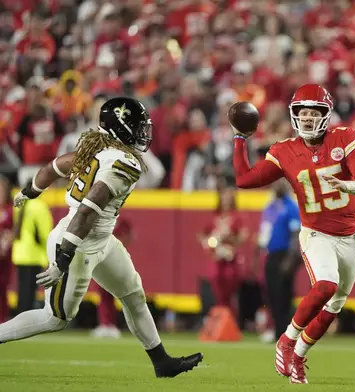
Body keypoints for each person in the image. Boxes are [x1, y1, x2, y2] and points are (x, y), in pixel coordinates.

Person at [0, 97, 203, 377]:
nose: (144, 133)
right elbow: (87, 211)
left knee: (133, 295)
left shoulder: (94, 144)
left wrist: (30, 191)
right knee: (54, 318)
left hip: (101, 238)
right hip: (77, 240)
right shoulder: (125, 162)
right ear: (121, 128)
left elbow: (56, 166)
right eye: (138, 126)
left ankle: (161, 361)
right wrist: (63, 257)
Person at [233, 84, 355, 384]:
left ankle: (299, 355)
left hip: (350, 235)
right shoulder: (284, 150)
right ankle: (287, 340)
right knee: (326, 285)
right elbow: (245, 179)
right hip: (317, 234)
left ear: (325, 114)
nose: (309, 118)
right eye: (303, 112)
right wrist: (239, 139)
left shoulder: (345, 138)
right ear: (294, 115)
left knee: (334, 306)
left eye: (314, 112)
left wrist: (348, 185)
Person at [256, 178, 301, 343]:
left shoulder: (291, 207)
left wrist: (290, 259)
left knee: (284, 296)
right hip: (271, 254)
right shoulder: (269, 207)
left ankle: (286, 331)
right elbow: (264, 232)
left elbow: (296, 234)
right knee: (272, 295)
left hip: (285, 255)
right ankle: (277, 330)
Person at [199, 181, 247, 316]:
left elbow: (243, 236)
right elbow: (202, 235)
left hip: (230, 257)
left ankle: (229, 315)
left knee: (230, 283)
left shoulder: (237, 217)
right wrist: (207, 243)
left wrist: (229, 238)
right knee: (215, 280)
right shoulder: (214, 217)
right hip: (217, 257)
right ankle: (221, 313)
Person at [12, 179, 53, 313]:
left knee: (22, 291)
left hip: (19, 254)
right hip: (33, 255)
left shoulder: (20, 204)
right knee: (29, 293)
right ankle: (24, 321)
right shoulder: (39, 206)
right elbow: (44, 233)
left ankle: (18, 318)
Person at [92, 218, 133, 339]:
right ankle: (106, 324)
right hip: (103, 261)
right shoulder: (103, 219)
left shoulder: (118, 222)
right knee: (104, 295)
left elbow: (129, 236)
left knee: (112, 295)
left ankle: (109, 325)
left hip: (113, 261)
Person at [0, 175, 13, 322]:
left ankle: (2, 318)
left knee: (2, 286)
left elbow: (13, 230)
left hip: (5, 254)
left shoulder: (10, 209)